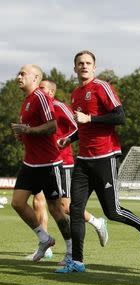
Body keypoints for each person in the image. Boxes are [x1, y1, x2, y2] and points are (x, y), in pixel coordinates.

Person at [55, 50, 140, 273]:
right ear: (74, 68)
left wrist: (90, 118)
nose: (84, 66)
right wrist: (69, 138)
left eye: (88, 63)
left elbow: (120, 116)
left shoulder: (101, 87)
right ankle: (77, 262)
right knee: (75, 208)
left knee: (112, 211)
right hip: (83, 159)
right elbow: (84, 127)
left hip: (105, 157)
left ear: (94, 67)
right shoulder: (75, 93)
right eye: (80, 63)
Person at [25, 80, 109, 265]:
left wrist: (64, 140)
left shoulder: (59, 106)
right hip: (40, 162)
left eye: (43, 88)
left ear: (52, 92)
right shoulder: (37, 107)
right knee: (37, 201)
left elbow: (79, 126)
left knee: (64, 206)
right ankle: (47, 247)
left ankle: (97, 222)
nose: (38, 91)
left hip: (63, 162)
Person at [10, 64, 71, 262]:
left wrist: (29, 131)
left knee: (56, 209)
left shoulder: (40, 97)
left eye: (23, 73)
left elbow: (52, 126)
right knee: (18, 203)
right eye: (18, 73)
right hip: (30, 163)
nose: (18, 77)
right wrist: (22, 134)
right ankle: (44, 239)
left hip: (49, 163)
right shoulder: (26, 100)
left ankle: (72, 251)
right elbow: (31, 130)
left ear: (35, 77)